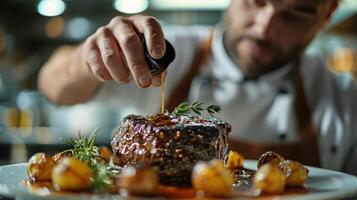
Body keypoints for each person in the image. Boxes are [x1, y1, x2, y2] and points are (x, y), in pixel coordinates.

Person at [38, 0, 357, 175]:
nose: (264, 28)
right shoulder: (160, 51)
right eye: (256, 1)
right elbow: (52, 85)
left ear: (326, 16)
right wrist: (87, 56)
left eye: (295, 15)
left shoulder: (345, 98)